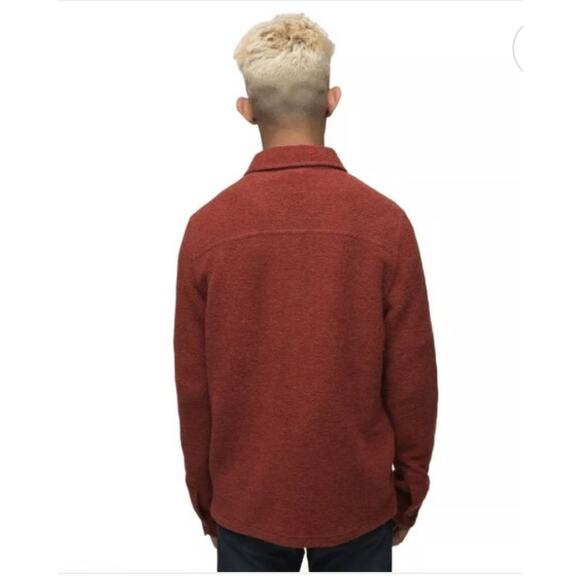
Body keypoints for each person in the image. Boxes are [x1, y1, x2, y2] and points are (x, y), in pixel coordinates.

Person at [173, 12, 438, 572]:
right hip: (359, 500)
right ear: (332, 101)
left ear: (246, 111)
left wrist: (206, 497)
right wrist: (409, 490)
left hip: (246, 501)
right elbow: (413, 379)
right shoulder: (385, 225)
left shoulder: (207, 231)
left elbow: (194, 390)